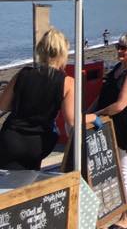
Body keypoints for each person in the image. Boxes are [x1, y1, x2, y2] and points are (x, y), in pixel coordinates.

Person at [0, 28, 76, 170]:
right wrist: (93, 117)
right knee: (28, 183)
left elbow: (3, 105)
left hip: (11, 138)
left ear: (41, 49)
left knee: (5, 185)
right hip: (39, 142)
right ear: (63, 53)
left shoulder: (23, 74)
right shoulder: (67, 82)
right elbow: (71, 120)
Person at [90, 31, 127, 226]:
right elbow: (104, 94)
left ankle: (126, 218)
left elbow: (121, 104)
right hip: (108, 124)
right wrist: (90, 112)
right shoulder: (117, 69)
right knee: (113, 171)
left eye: (124, 48)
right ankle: (113, 214)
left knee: (124, 172)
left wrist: (96, 115)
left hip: (125, 126)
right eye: (118, 47)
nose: (120, 51)